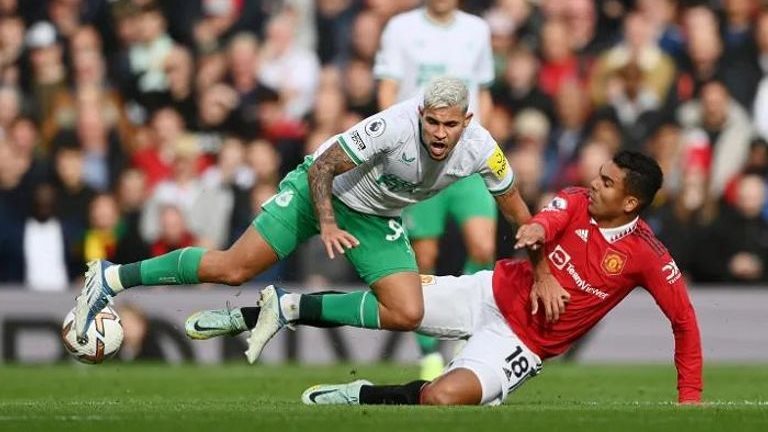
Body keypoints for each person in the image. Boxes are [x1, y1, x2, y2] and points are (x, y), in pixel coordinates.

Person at [72, 77, 562, 361]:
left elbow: (520, 215)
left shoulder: (482, 151)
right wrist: (326, 223)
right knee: (233, 268)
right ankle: (111, 277)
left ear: (466, 123)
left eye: (449, 125)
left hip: (376, 217)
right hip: (317, 192)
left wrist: (541, 271)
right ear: (420, 114)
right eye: (431, 122)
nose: (438, 133)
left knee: (407, 312)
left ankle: (287, 307)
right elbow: (324, 166)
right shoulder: (393, 125)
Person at [294, 151, 702, 406]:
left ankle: (361, 394)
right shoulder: (575, 199)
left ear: (630, 202)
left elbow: (684, 321)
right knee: (398, 301)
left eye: (607, 182)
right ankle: (291, 306)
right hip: (487, 291)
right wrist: (536, 234)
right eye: (599, 174)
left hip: (521, 344)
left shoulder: (648, 256)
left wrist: (689, 398)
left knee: (442, 397)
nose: (594, 183)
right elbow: (546, 221)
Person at [374, 0, 497, 379]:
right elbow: (387, 91)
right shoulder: (400, 28)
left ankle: (465, 334)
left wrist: (483, 139)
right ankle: (428, 354)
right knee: (423, 257)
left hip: (466, 158)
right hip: (420, 162)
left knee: (483, 246)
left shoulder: (477, 29)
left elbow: (483, 92)